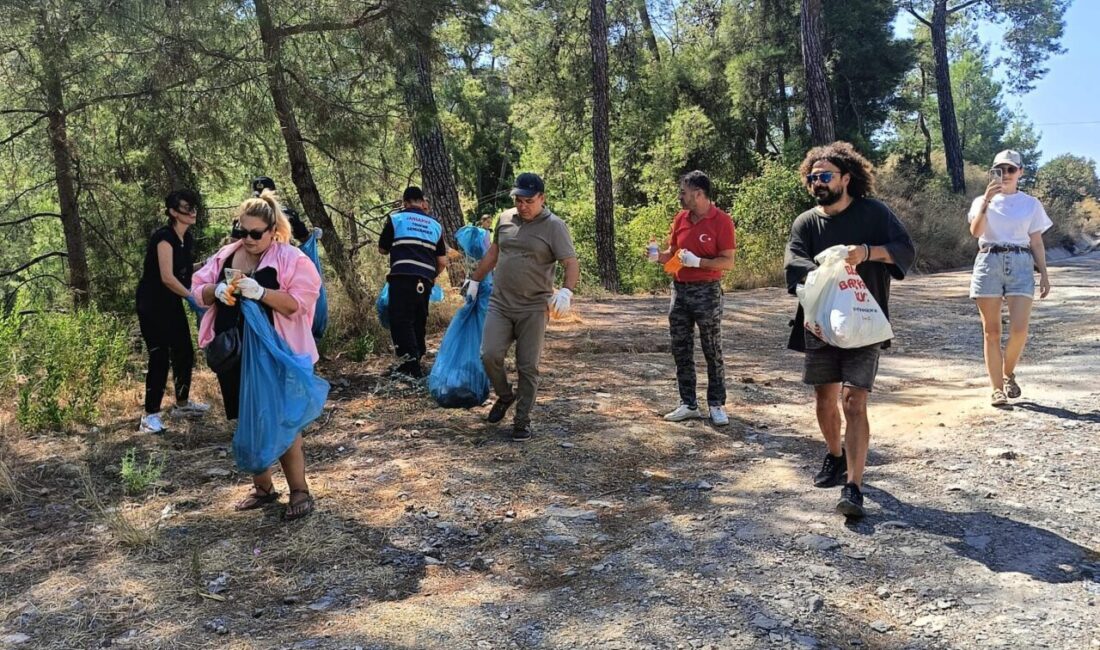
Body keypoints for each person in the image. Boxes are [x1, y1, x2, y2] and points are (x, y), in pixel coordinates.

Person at [784, 142, 915, 519]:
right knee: (825, 399)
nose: (818, 183)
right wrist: (826, 269)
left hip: (864, 321)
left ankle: (854, 486)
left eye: (825, 176)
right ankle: (835, 455)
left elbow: (905, 248)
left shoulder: (874, 213)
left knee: (854, 401)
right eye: (812, 177)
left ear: (846, 178)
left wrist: (866, 253)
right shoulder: (806, 222)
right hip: (819, 323)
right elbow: (795, 266)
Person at [191, 190, 323, 520]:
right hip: (233, 351)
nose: (246, 239)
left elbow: (300, 302)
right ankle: (263, 487)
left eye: (254, 233)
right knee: (246, 415)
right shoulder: (226, 255)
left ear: (272, 231)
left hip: (274, 352)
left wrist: (262, 292)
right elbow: (198, 290)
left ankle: (299, 491)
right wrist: (215, 291)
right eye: (241, 230)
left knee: (283, 419)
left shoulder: (291, 259)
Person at [464, 172, 579, 441]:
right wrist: (475, 280)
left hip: (533, 307)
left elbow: (570, 262)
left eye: (528, 200)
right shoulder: (504, 219)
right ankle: (505, 396)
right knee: (489, 354)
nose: (522, 205)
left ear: (542, 198)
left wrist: (566, 291)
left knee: (528, 366)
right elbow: (494, 252)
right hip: (501, 302)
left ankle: (522, 420)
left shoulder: (554, 226)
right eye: (518, 199)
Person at [967, 149, 1052, 407]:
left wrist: (1045, 274)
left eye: (1011, 169)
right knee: (991, 332)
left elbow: (1036, 241)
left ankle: (1007, 372)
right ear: (992, 172)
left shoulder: (1030, 204)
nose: (1005, 175)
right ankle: (996, 389)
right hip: (988, 260)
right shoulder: (982, 200)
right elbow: (976, 232)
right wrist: (985, 204)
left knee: (1019, 329)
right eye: (999, 170)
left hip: (1021, 262)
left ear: (1020, 173)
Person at [654, 171, 737, 427]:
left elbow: (728, 261)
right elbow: (673, 252)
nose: (680, 196)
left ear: (698, 194)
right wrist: (659, 255)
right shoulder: (681, 218)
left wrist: (699, 262)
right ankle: (688, 403)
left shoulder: (722, 221)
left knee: (712, 348)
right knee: (681, 348)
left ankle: (716, 404)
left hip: (707, 291)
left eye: (683, 192)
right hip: (680, 290)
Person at [135, 189, 210, 433]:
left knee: (184, 351)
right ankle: (149, 416)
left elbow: (186, 271)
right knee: (159, 356)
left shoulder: (185, 239)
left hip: (172, 301)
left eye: (193, 207)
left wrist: (213, 261)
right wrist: (191, 297)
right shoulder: (164, 238)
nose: (192, 212)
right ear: (173, 212)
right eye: (186, 208)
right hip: (152, 303)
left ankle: (182, 403)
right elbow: (167, 277)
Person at [377, 186, 449, 378]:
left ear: (405, 202)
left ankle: (410, 366)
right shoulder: (435, 225)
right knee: (418, 318)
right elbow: (442, 262)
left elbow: (383, 249)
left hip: (402, 277)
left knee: (401, 320)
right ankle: (417, 359)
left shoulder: (396, 219)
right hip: (425, 279)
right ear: (421, 201)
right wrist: (430, 276)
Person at [228, 176, 311, 243]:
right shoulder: (288, 214)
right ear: (274, 192)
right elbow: (305, 239)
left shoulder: (244, 214)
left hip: (252, 261)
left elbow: (234, 241)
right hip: (282, 260)